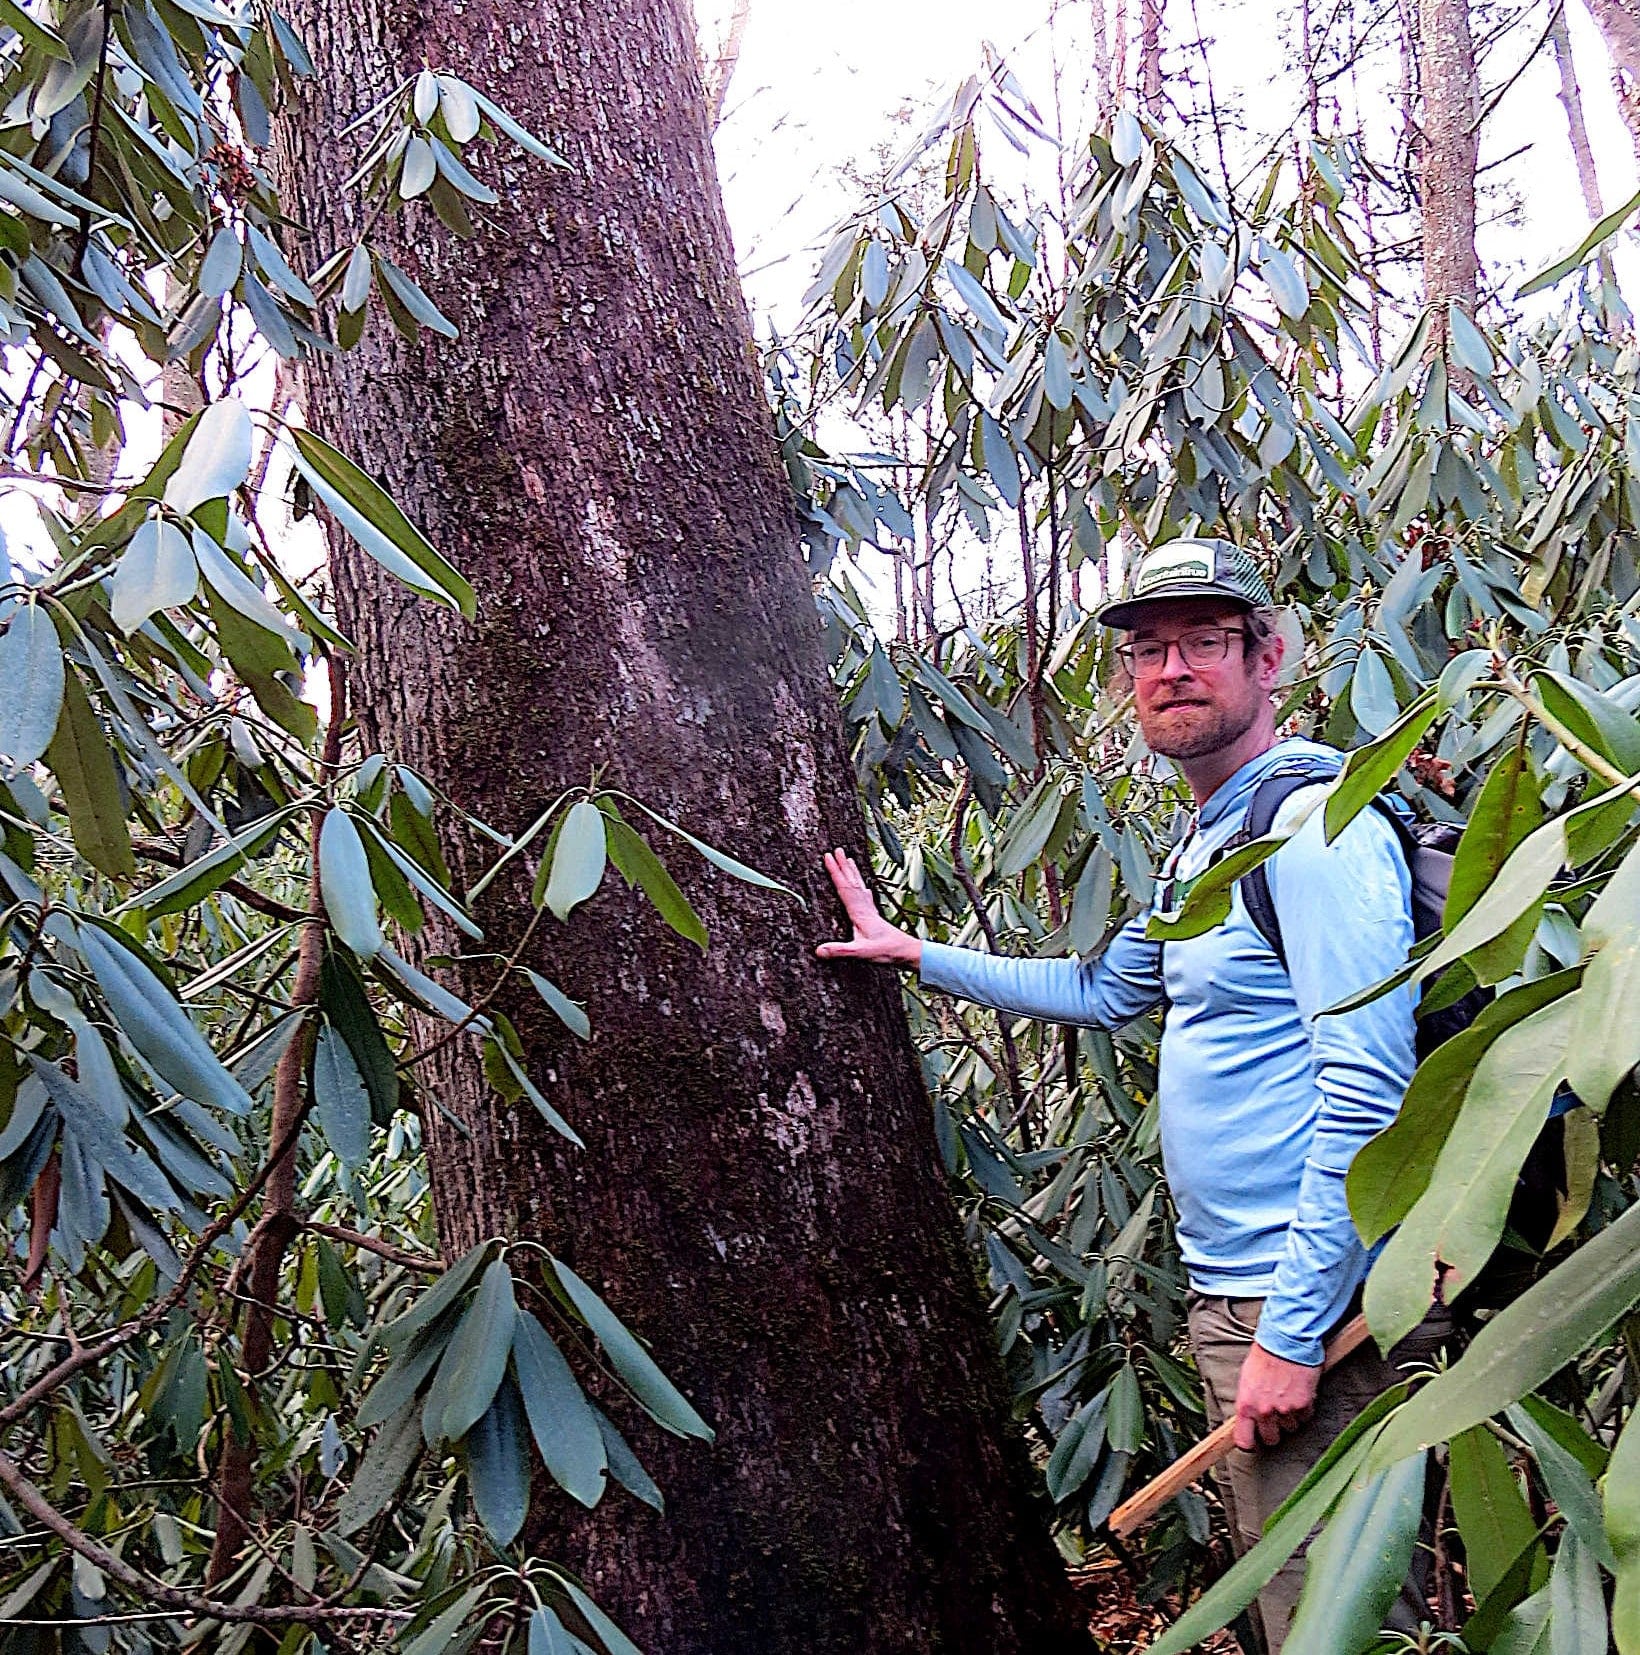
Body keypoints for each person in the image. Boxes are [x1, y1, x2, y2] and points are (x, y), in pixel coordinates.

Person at [816, 537, 1448, 1654]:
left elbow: (1366, 1088)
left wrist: (1293, 1330)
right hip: (1245, 1297)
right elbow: (1108, 989)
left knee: (1341, 1628)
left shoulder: (1311, 830)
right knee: (1294, 1611)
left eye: (1203, 641)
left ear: (1268, 658)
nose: (1171, 670)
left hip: (1320, 1301)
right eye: (1149, 650)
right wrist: (913, 953)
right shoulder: (1211, 834)